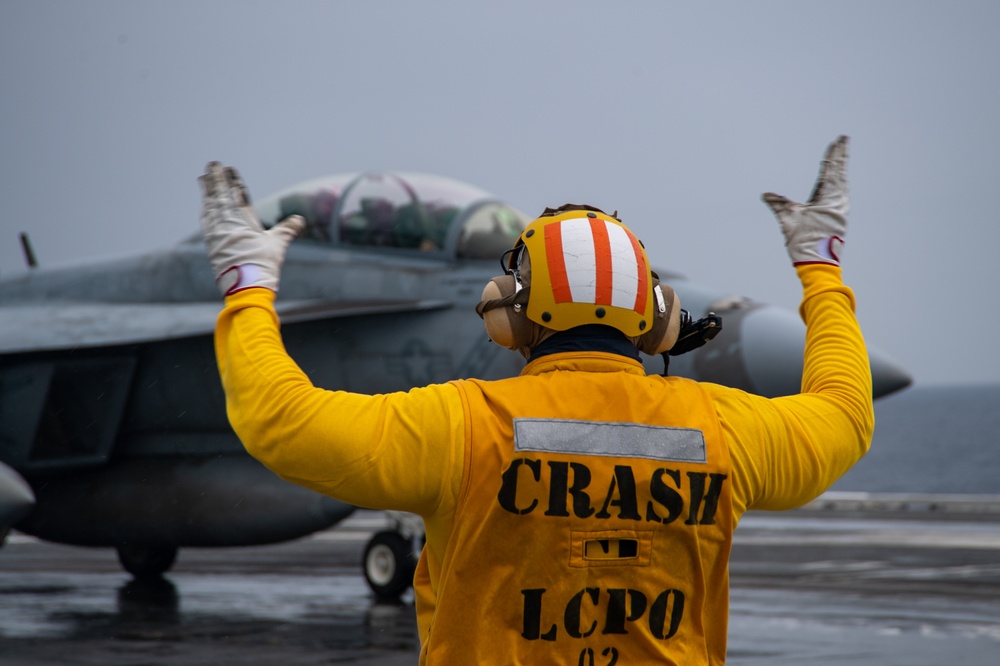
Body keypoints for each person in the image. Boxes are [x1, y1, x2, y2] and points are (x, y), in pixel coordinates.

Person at [200, 135, 873, 665]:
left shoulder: (460, 427)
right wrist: (820, 268)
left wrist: (249, 285)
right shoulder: (725, 430)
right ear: (654, 317)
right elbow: (844, 411)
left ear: (515, 320)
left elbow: (278, 418)